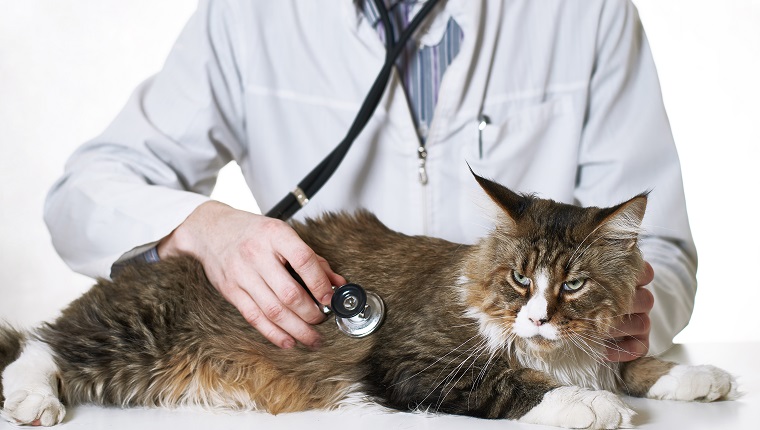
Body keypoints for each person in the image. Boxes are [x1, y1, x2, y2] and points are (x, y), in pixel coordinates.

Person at [45, 0, 695, 361]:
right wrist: (203, 228)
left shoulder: (588, 13)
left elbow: (657, 247)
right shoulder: (246, 16)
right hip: (318, 383)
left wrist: (636, 318)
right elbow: (83, 195)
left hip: (529, 383)